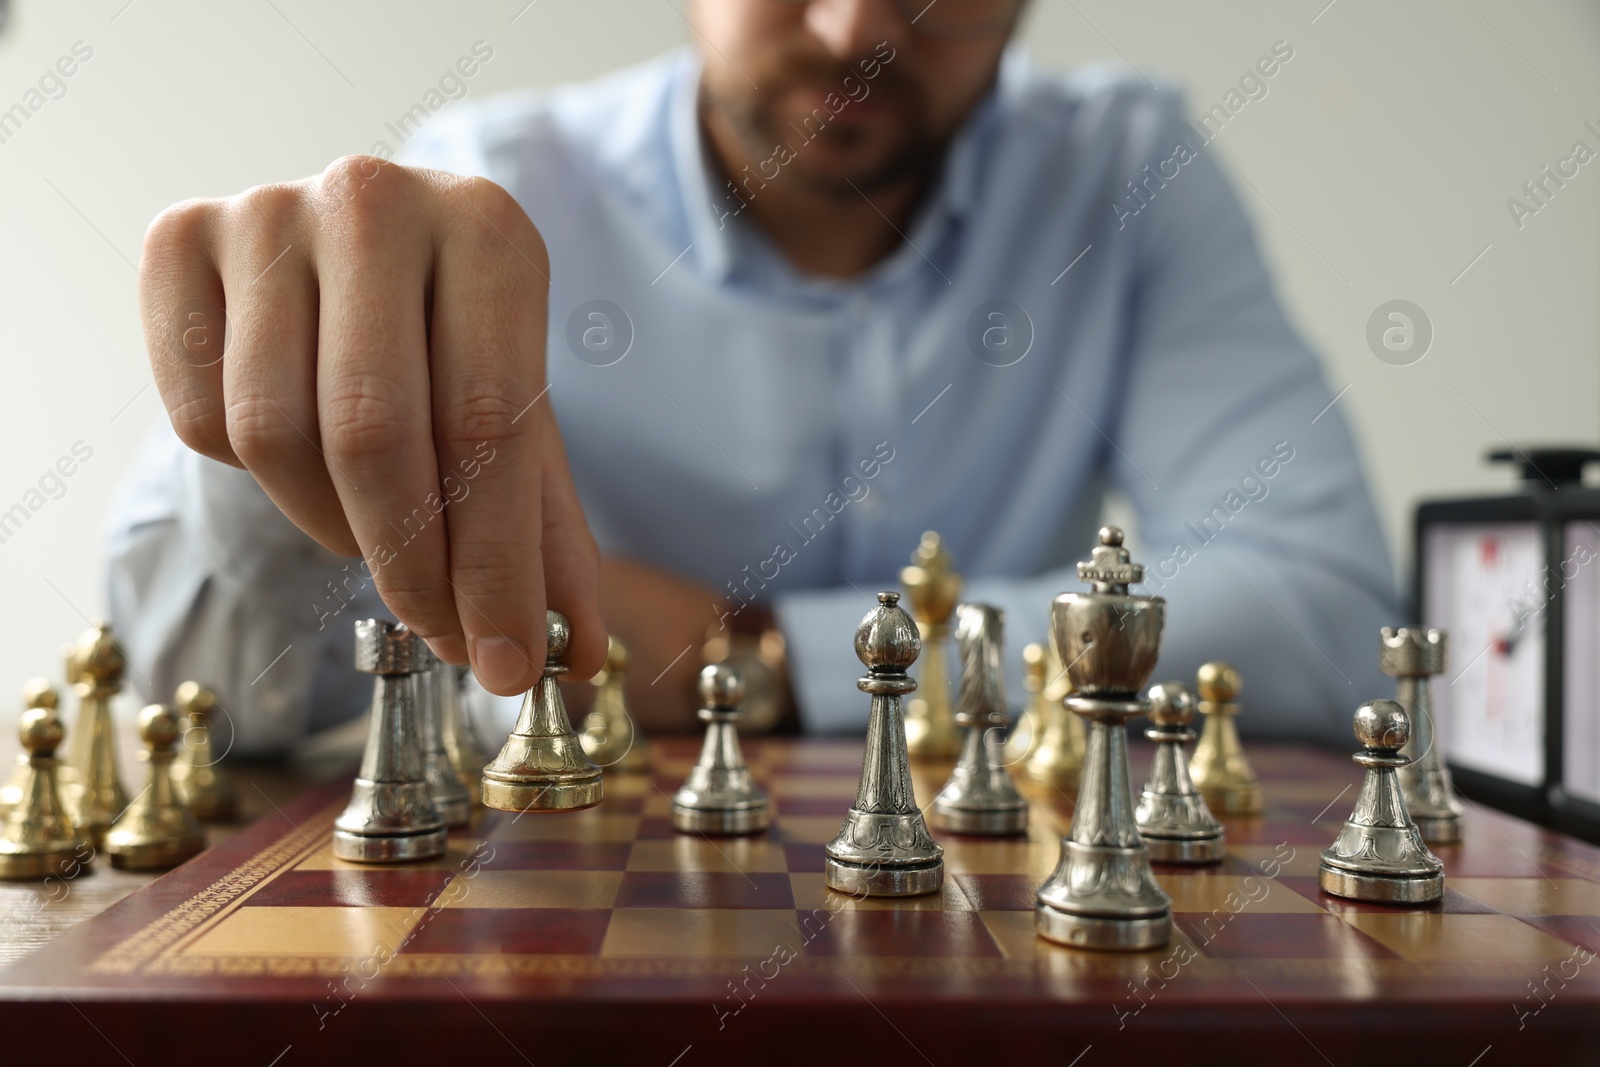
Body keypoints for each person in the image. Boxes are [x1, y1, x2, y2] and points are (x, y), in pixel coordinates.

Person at [109, 0, 1397, 754]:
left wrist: (760, 656)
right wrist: (263, 431)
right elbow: (205, 702)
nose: (856, 30)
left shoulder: (1131, 170)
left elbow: (1322, 612)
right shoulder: (491, 188)